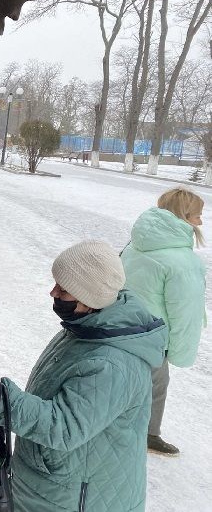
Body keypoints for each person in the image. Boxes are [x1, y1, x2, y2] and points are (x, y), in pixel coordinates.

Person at [0, 241, 166, 512]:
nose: (53, 292)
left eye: (64, 289)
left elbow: (63, 427)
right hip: (56, 485)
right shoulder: (87, 328)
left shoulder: (110, 363)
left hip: (78, 499)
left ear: (90, 296)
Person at [121, 187, 206, 456]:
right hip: (154, 336)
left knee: (122, 379)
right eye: (197, 216)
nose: (201, 222)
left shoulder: (136, 243)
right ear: (183, 216)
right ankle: (149, 434)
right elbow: (185, 313)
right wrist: (179, 352)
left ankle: (113, 423)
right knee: (156, 386)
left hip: (121, 326)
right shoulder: (182, 261)